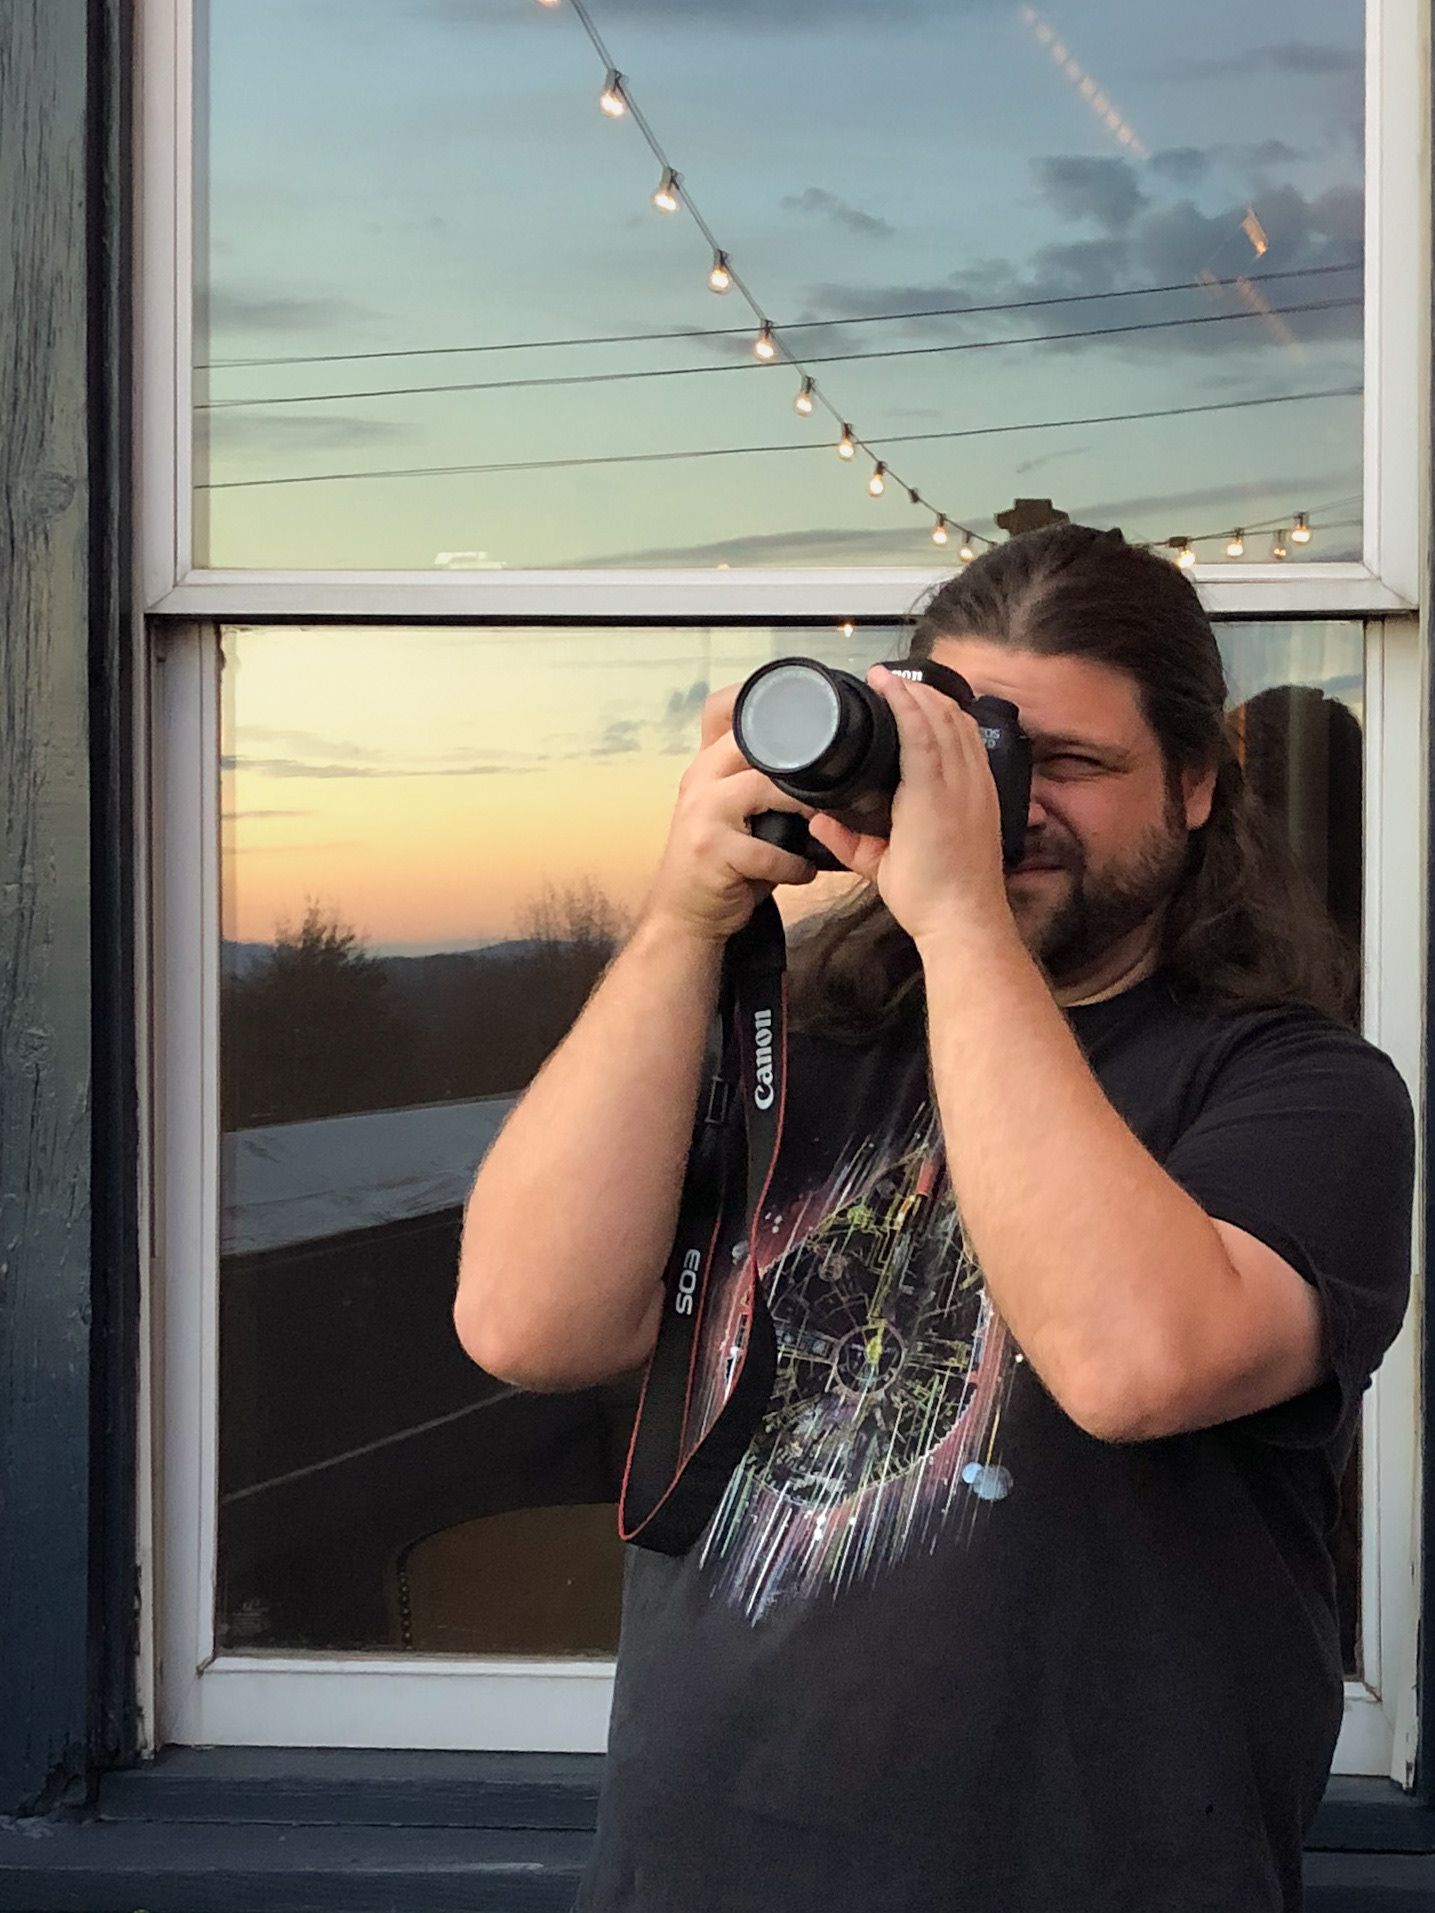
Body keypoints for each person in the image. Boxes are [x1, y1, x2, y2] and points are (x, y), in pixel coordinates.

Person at [455, 524, 1414, 1913]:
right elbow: (526, 1323)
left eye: (1066, 762)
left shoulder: (1303, 1090)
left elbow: (1135, 1363)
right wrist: (682, 919)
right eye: (970, 752)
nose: (1011, 803)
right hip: (693, 1874)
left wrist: (960, 915)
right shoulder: (800, 1038)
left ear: (1199, 783)